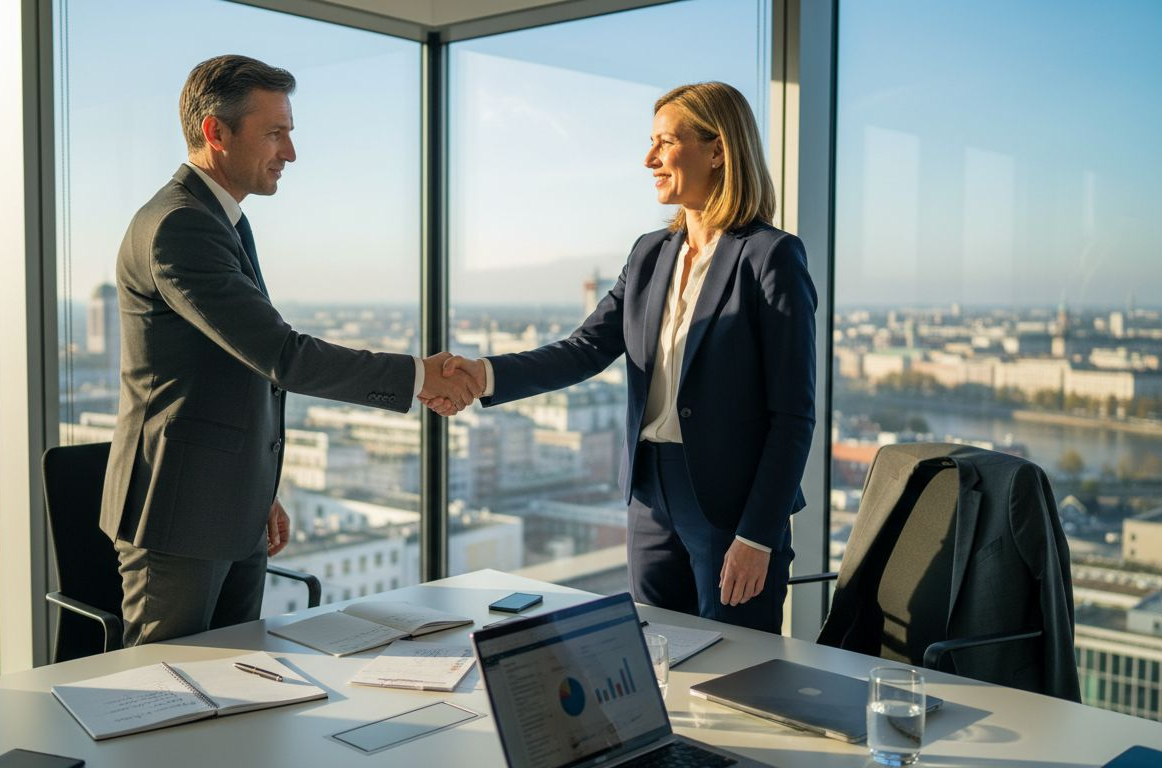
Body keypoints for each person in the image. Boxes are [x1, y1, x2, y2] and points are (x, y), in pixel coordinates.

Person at [100, 54, 478, 647]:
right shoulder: (179, 225)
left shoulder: (222, 220)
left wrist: (257, 489)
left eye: (289, 133)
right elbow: (282, 355)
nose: (290, 152)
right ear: (215, 132)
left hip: (228, 505)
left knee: (238, 685)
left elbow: (235, 367)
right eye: (275, 133)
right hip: (178, 514)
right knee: (164, 699)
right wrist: (416, 376)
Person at [431, 82, 816, 632]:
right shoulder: (649, 253)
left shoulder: (770, 257)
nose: (649, 158)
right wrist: (483, 375)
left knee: (737, 669)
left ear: (718, 150)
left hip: (732, 504)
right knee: (656, 654)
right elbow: (584, 349)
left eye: (665, 141)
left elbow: (793, 416)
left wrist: (758, 534)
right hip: (648, 493)